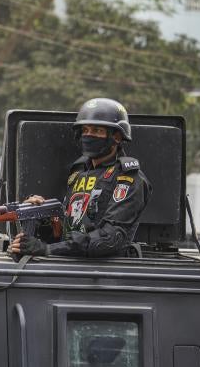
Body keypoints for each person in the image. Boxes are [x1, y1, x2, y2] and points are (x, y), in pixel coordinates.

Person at [10, 98, 152, 258]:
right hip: (70, 264)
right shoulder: (78, 173)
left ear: (117, 137)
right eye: (85, 130)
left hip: (106, 273)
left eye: (97, 130)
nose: (89, 135)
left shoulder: (127, 178)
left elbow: (109, 238)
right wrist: (40, 217)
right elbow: (68, 229)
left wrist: (49, 250)